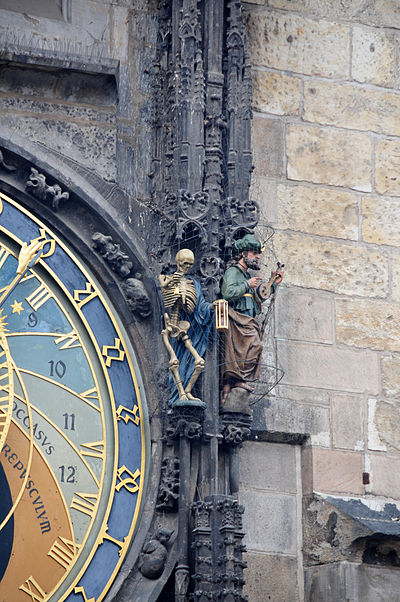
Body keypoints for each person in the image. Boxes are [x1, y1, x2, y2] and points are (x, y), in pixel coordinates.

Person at [220, 234, 283, 401]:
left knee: (250, 349)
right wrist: (247, 284)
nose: (258, 257)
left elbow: (257, 297)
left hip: (247, 321)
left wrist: (273, 284)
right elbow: (227, 293)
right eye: (254, 253)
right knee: (253, 346)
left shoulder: (247, 277)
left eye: (258, 254)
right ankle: (235, 380)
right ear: (243, 254)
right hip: (236, 320)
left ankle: (235, 381)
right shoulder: (233, 272)